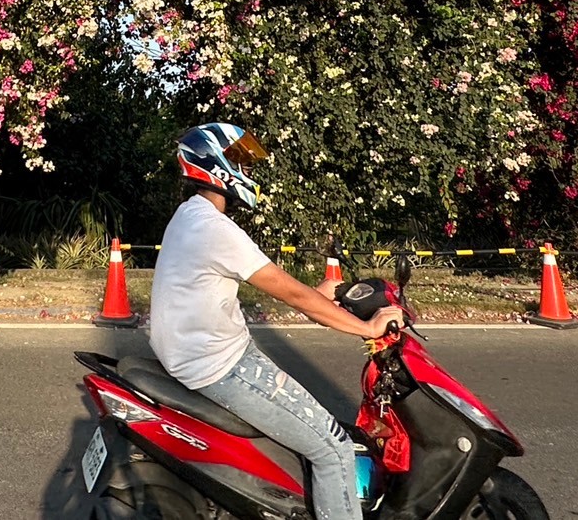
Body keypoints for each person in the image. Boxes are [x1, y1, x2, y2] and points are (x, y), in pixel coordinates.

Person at [148, 122, 404, 520]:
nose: (246, 173)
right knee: (333, 447)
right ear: (213, 165)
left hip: (197, 355)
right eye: (239, 162)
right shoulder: (216, 229)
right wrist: (367, 328)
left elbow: (277, 290)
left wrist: (316, 298)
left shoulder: (190, 215)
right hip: (220, 366)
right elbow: (292, 293)